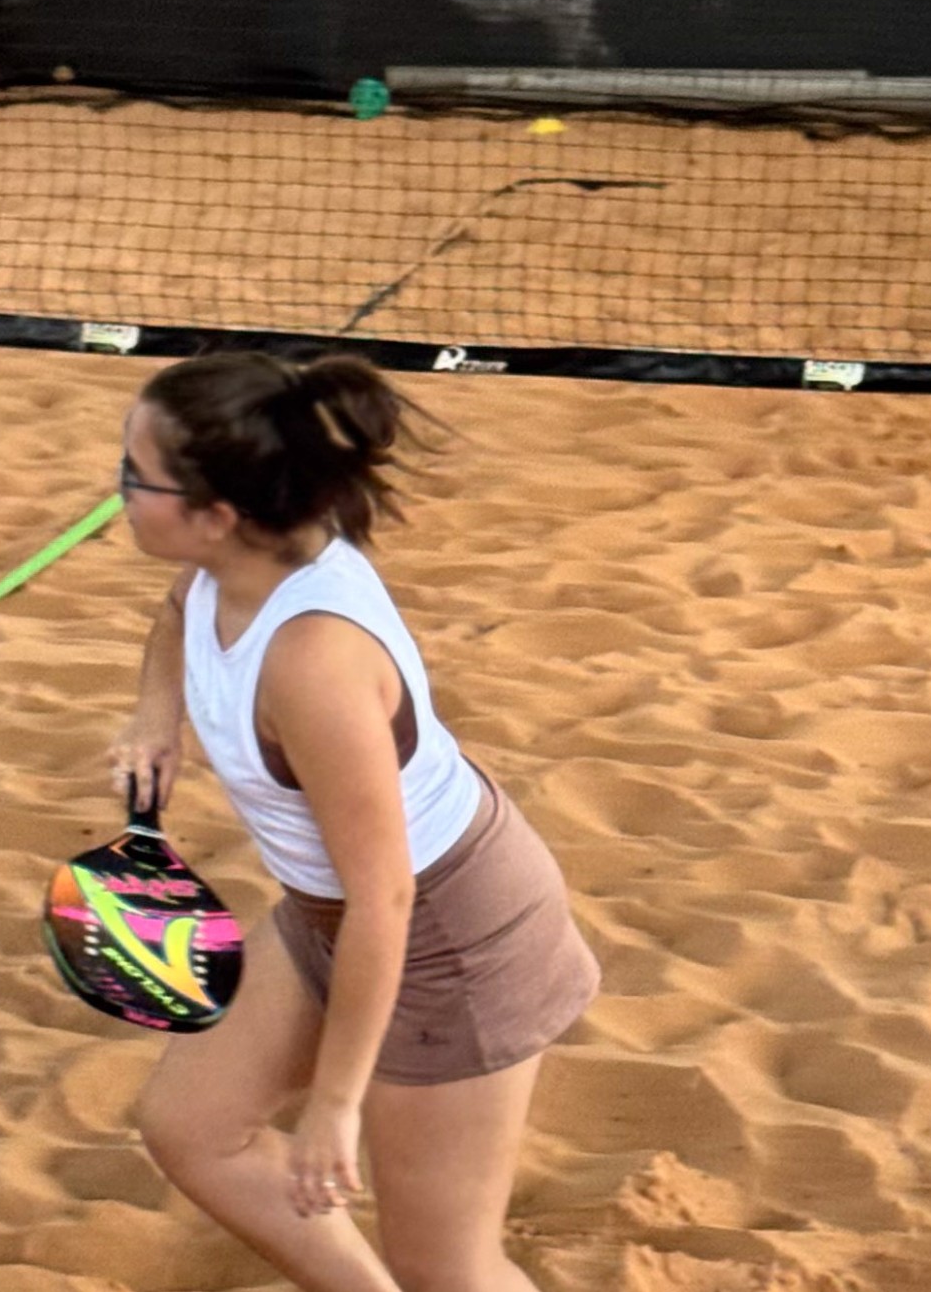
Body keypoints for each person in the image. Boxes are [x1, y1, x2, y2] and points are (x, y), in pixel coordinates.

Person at [108, 350, 599, 1292]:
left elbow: (388, 898)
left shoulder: (313, 666)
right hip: (331, 912)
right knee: (191, 1127)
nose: (119, 492)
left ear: (217, 513)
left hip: (449, 934)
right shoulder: (239, 561)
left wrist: (335, 1103)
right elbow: (178, 611)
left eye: (138, 474)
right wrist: (154, 715)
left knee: (447, 1267)